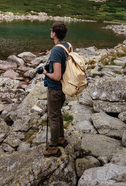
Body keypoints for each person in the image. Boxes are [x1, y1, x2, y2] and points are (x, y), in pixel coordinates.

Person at [42, 22, 69, 157]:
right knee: (57, 113)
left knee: (53, 116)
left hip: (55, 88)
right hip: (64, 87)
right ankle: (60, 138)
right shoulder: (67, 46)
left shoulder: (56, 51)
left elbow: (57, 76)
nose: (50, 32)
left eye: (51, 30)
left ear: (54, 33)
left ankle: (53, 146)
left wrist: (46, 73)